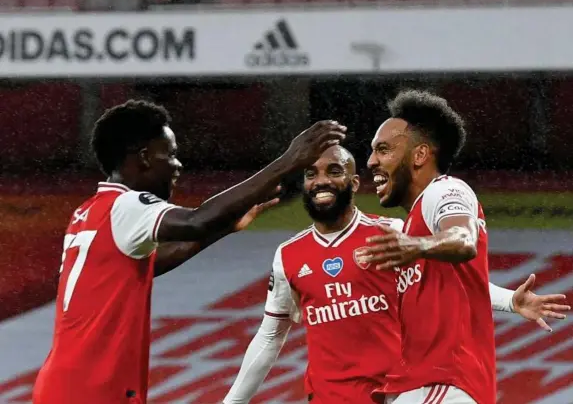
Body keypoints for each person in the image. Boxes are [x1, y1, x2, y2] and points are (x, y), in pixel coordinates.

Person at [32, 99, 347, 404]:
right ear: (143, 158)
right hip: (95, 389)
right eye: (169, 154)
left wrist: (224, 227)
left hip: (65, 383)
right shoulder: (127, 205)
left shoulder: (88, 212)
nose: (177, 165)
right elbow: (197, 220)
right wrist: (289, 160)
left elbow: (153, 262)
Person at [223, 145, 568, 404]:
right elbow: (270, 338)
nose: (321, 181)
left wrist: (510, 300)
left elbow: (445, 282)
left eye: (333, 171)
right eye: (311, 174)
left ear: (354, 182)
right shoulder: (289, 255)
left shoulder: (391, 233)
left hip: (395, 394)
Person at [358, 90, 570, 404]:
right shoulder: (417, 221)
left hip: (442, 383)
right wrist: (510, 300)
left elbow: (463, 238)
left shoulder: (445, 191)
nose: (371, 161)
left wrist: (416, 245)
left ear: (419, 155)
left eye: (384, 149)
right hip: (433, 385)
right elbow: (462, 281)